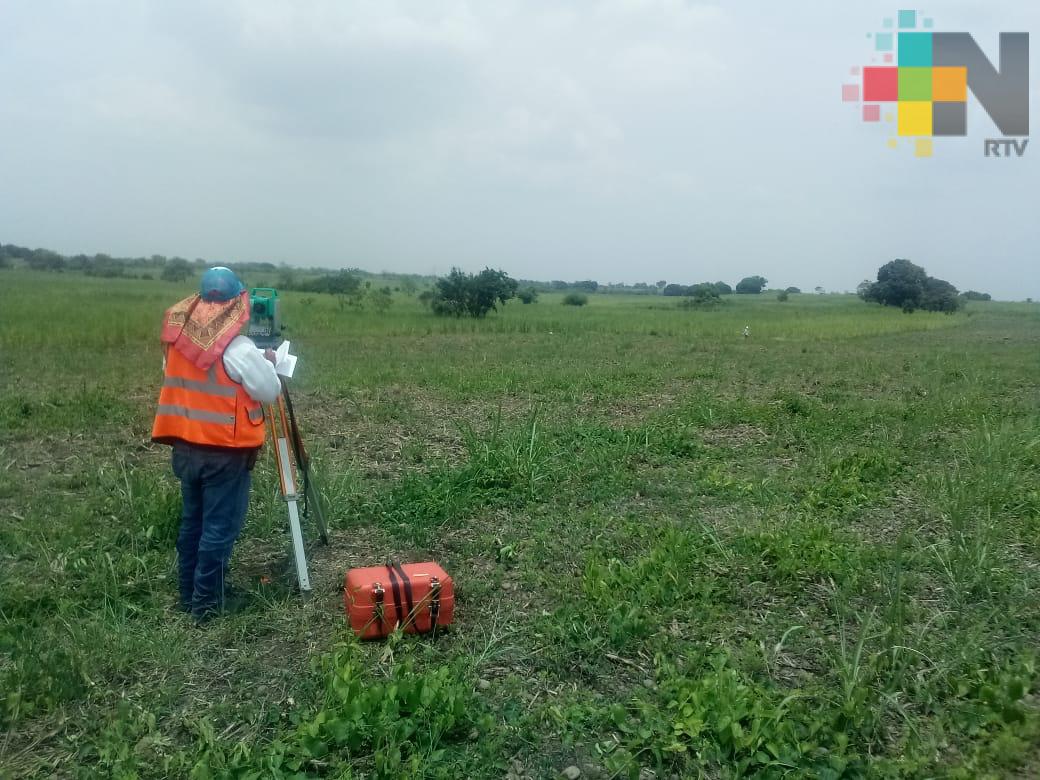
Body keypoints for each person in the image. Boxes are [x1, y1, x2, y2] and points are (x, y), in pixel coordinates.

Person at [151, 267, 281, 624]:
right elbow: (269, 390)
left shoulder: (177, 342)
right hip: (224, 452)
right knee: (218, 529)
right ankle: (206, 604)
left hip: (185, 447)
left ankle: (188, 594)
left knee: (193, 523)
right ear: (236, 304)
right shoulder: (238, 348)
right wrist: (268, 364)